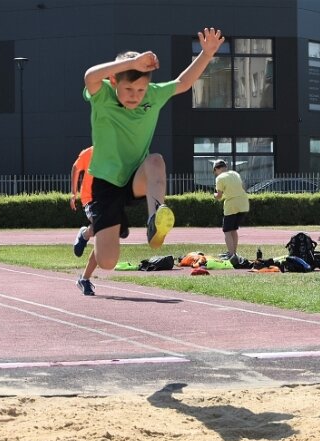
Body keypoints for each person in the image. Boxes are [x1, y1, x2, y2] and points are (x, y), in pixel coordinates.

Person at [76, 27, 225, 296]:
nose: (135, 95)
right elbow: (89, 76)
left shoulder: (153, 95)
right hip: (106, 184)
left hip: (136, 176)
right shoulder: (103, 95)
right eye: (128, 88)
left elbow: (183, 83)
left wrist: (206, 54)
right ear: (114, 81)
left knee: (156, 160)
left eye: (141, 89)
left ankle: (156, 217)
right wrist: (132, 63)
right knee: (108, 262)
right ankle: (91, 235)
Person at [212, 159, 249, 258]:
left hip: (231, 205)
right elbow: (243, 187)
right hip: (243, 203)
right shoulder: (234, 173)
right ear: (225, 167)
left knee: (227, 231)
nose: (215, 174)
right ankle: (234, 253)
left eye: (214, 171)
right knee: (233, 230)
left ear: (216, 169)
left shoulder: (219, 178)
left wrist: (214, 195)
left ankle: (231, 254)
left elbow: (219, 196)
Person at [70, 146, 95, 257]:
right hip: (89, 198)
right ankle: (84, 235)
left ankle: (85, 234)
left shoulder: (115, 153)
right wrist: (73, 193)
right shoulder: (89, 152)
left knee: (110, 226)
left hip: (106, 198)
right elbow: (76, 167)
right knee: (100, 223)